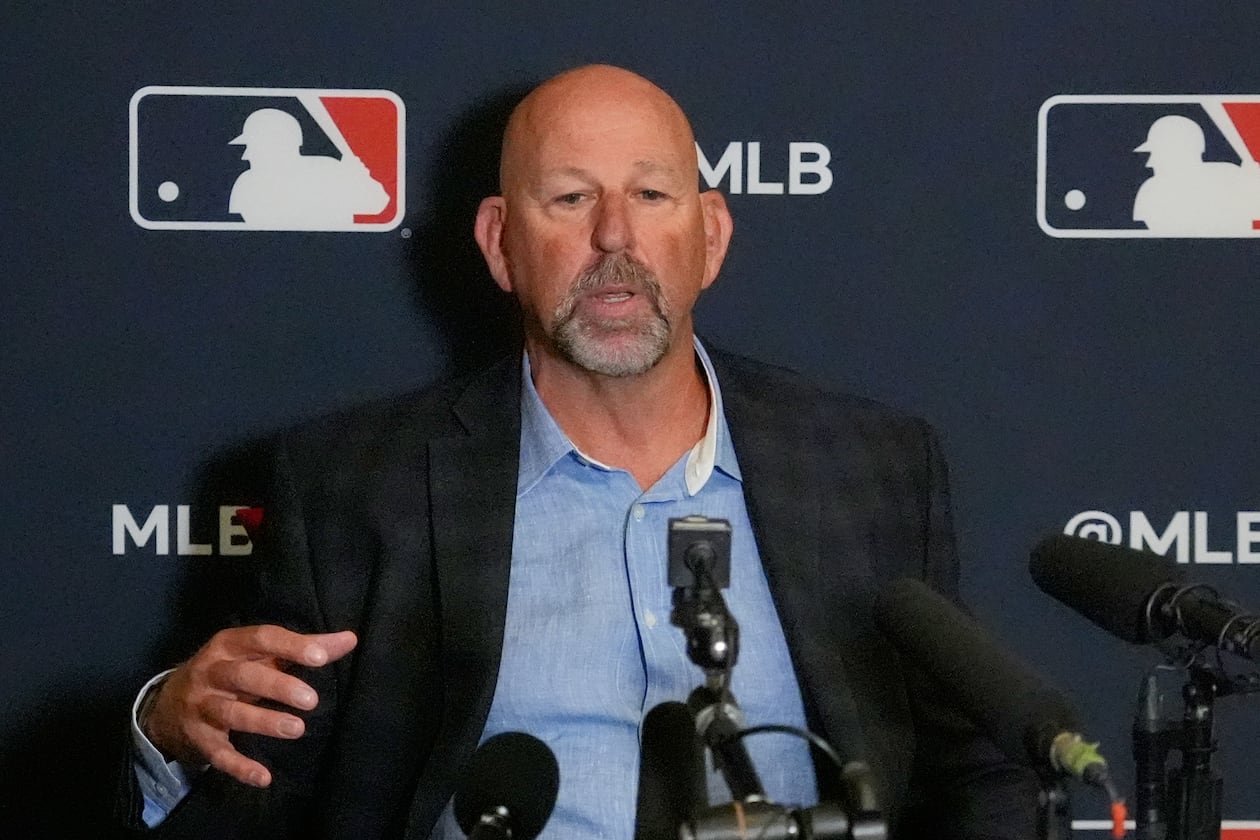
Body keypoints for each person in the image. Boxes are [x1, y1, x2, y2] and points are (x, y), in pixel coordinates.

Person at [119, 64, 1037, 838]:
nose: (614, 236)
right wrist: (172, 729)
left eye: (650, 194)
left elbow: (975, 775)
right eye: (569, 197)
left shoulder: (873, 466)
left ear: (709, 237)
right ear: (500, 243)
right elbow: (253, 787)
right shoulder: (355, 487)